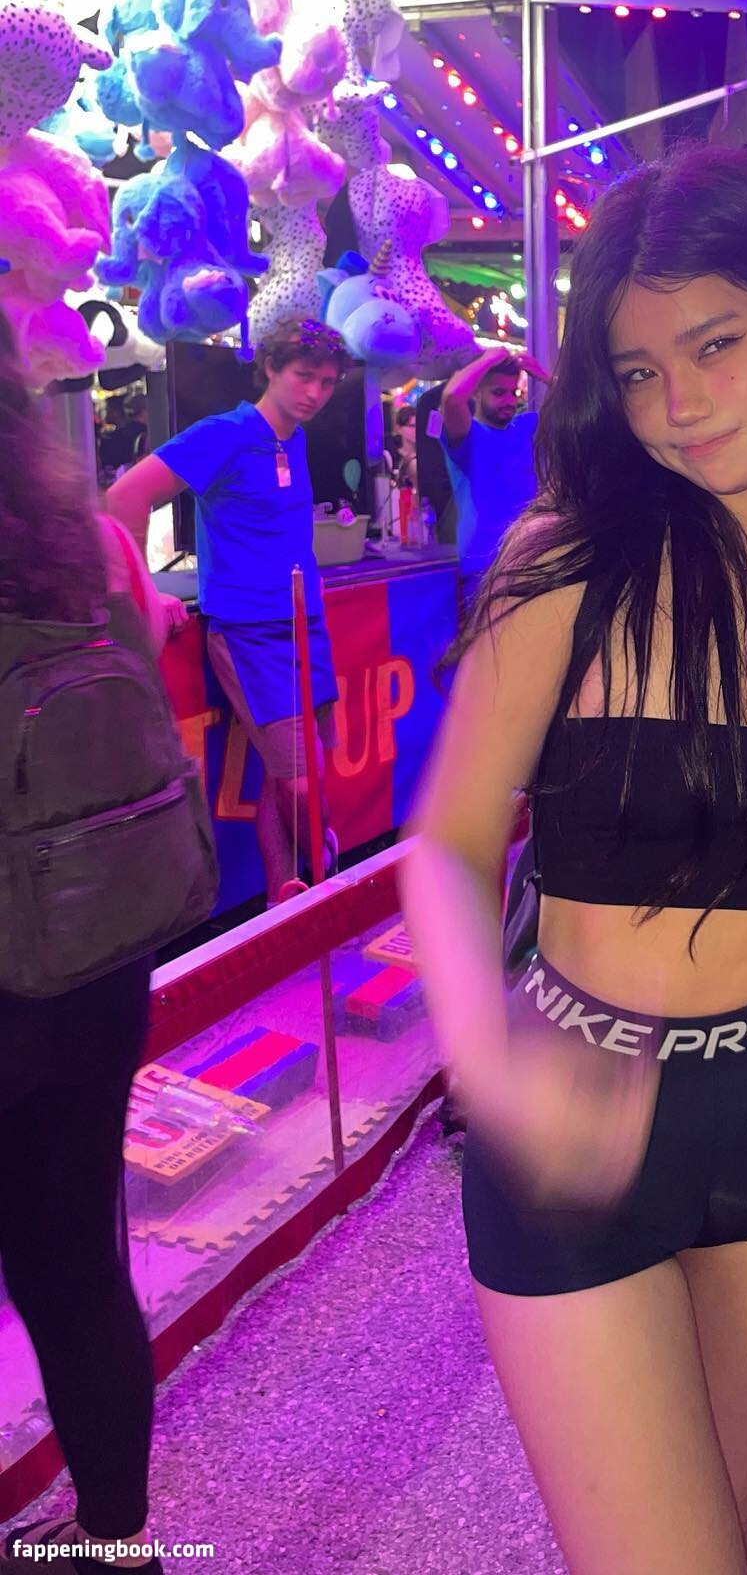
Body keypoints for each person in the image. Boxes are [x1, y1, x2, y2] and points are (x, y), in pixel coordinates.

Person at [402, 144, 747, 1575]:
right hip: (569, 1116)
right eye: (638, 372)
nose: (677, 404)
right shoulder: (563, 570)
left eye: (712, 345)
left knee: (731, 1526)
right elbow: (447, 846)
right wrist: (487, 1059)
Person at [1, 322, 177, 1572]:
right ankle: (119, 1543)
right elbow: (151, 656)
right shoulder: (87, 541)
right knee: (76, 1270)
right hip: (99, 955)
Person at [107, 319, 349, 906]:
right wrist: (143, 591)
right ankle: (327, 889)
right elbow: (125, 496)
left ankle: (281, 902)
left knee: (284, 774)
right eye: (303, 376)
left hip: (303, 623)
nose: (315, 392)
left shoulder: (292, 438)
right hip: (251, 632)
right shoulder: (226, 434)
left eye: (327, 382)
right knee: (300, 782)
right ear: (269, 368)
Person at [440, 344, 550, 609]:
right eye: (499, 392)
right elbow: (452, 397)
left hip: (528, 562)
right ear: (476, 392)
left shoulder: (525, 427)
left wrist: (544, 376)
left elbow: (579, 407)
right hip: (483, 569)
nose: (509, 401)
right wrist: (487, 360)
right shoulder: (468, 435)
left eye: (513, 393)